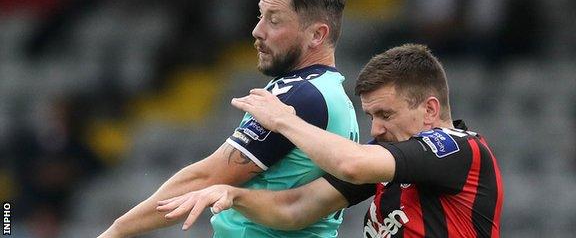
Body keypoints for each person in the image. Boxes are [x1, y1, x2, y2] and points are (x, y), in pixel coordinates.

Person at [98, 0, 359, 237]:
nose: (257, 30)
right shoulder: (332, 95)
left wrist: (117, 231)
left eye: (275, 21)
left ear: (317, 35)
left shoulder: (298, 96)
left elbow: (206, 178)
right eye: (261, 16)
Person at [157, 44, 504, 237]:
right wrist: (234, 195)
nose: (375, 130)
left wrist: (284, 121)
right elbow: (295, 209)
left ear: (429, 109)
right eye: (370, 117)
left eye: (385, 115)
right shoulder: (387, 165)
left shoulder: (459, 148)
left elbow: (352, 164)